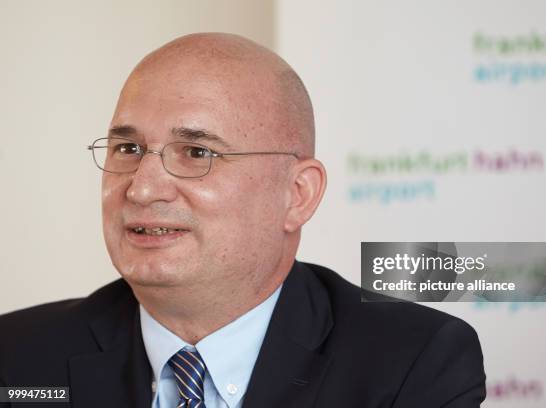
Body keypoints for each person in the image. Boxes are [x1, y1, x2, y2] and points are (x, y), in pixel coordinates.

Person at [0, 33, 486, 408]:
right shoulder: (17, 359)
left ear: (298, 195)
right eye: (128, 149)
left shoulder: (412, 362)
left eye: (196, 152)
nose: (142, 187)